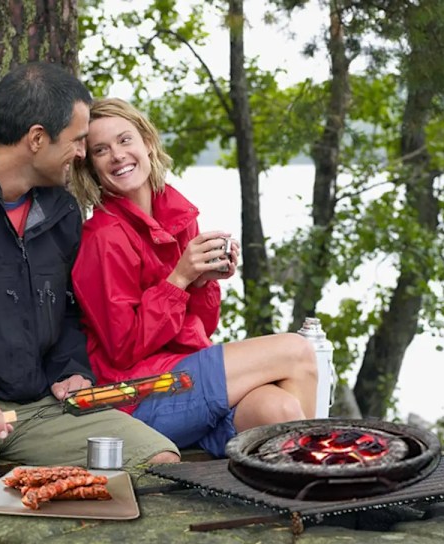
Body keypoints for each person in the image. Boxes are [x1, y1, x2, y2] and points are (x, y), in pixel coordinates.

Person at [0, 64, 179, 544]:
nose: (84, 153)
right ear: (37, 139)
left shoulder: (61, 210)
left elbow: (65, 313)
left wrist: (70, 369)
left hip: (34, 403)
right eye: (79, 140)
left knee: (158, 461)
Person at [70, 98, 318, 462]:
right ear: (91, 167)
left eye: (125, 141)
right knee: (297, 352)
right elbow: (122, 348)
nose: (117, 155)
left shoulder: (178, 216)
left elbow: (203, 325)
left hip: (185, 385)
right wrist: (179, 279)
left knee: (277, 409)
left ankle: (286, 495)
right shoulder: (102, 237)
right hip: (136, 398)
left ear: (148, 143)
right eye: (101, 150)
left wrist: (203, 283)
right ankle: (323, 488)